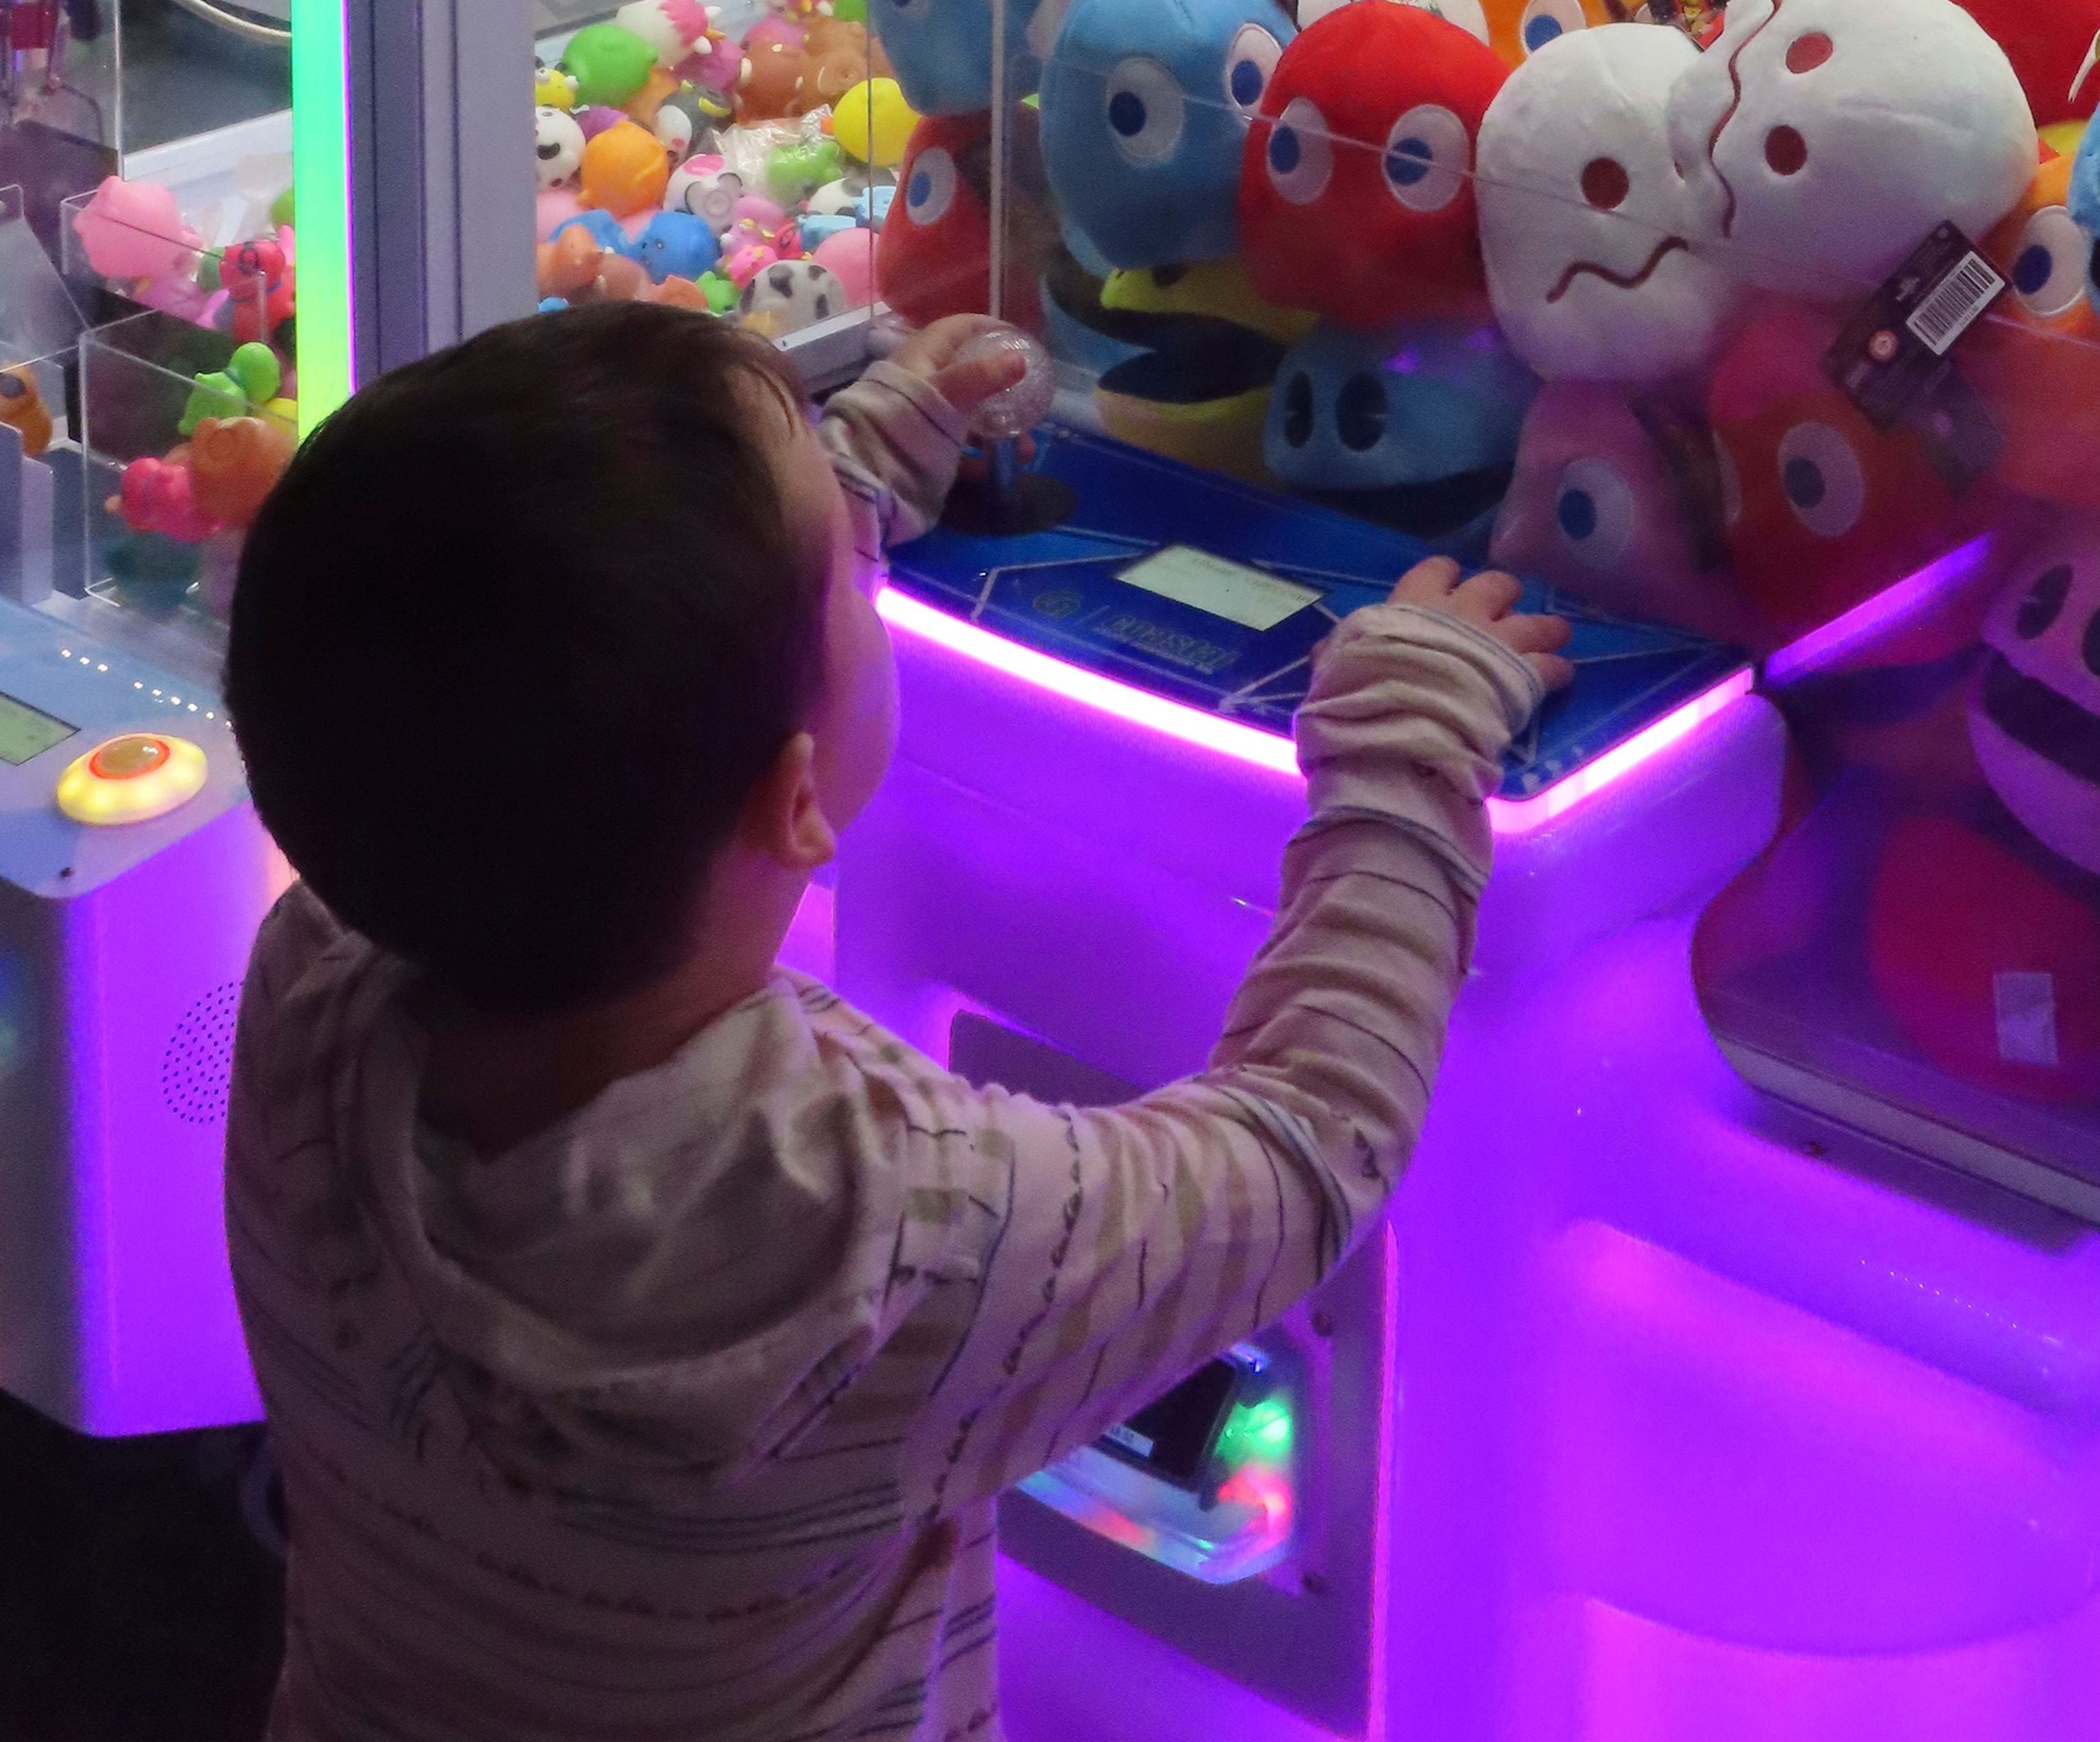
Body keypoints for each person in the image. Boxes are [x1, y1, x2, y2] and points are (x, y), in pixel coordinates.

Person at [221, 299, 1568, 1742]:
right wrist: (1406, 739)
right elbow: (1304, 1146)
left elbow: (521, 656)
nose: (868, 563)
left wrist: (822, 504)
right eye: (851, 583)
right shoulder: (886, 1238)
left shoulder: (307, 992)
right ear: (793, 800)